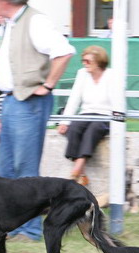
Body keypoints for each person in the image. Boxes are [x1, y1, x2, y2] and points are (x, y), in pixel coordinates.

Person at [0, 0, 75, 242]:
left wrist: (47, 85)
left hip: (28, 101)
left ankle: (29, 230)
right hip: (12, 100)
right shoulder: (12, 24)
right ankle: (12, 228)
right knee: (6, 171)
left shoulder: (35, 21)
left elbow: (64, 51)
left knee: (25, 171)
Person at [57, 45, 115, 185]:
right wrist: (64, 121)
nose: (84, 64)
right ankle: (81, 174)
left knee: (93, 130)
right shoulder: (82, 73)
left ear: (98, 61)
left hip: (105, 115)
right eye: (83, 61)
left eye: (88, 61)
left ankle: (76, 172)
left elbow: (116, 101)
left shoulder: (111, 75)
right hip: (86, 113)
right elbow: (74, 98)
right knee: (74, 128)